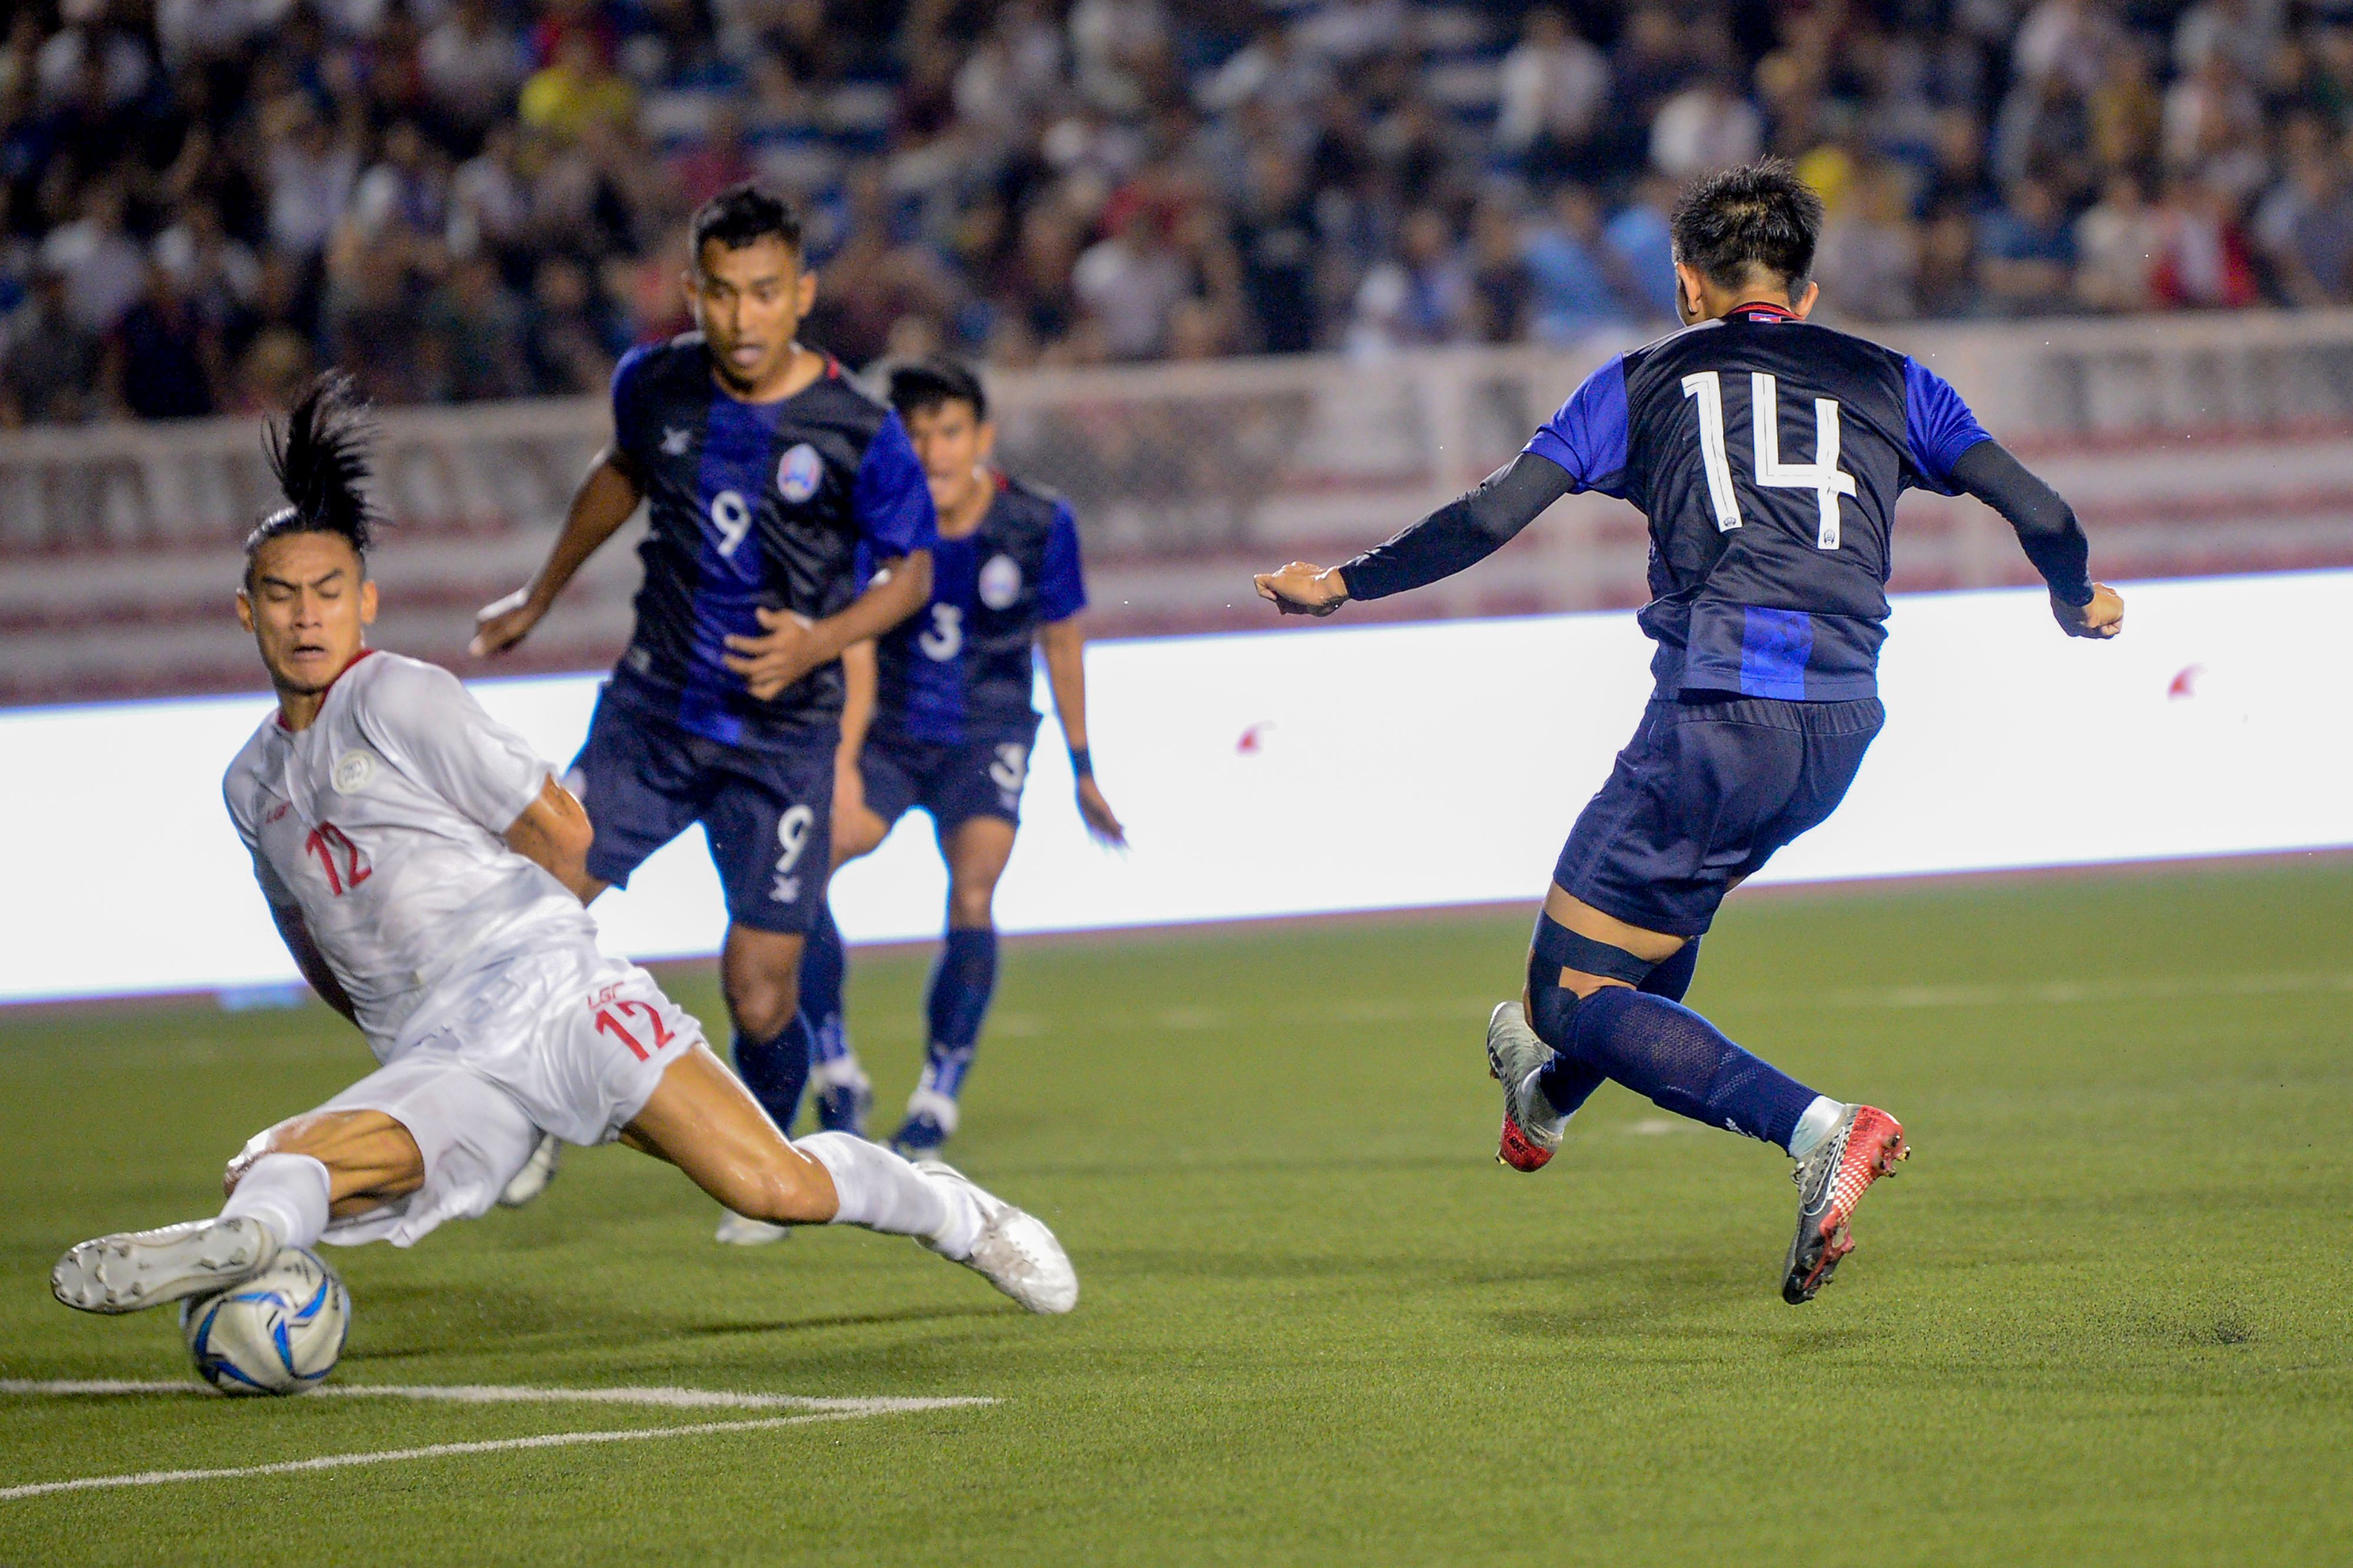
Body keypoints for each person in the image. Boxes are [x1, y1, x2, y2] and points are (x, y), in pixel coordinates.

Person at [1252, 160, 2124, 1305]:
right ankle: (1548, 1097)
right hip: (1840, 721)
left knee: (1566, 993)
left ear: (1683, 284)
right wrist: (2072, 598)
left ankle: (1820, 1129)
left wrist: (1345, 585)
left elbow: (1487, 515)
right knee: (1652, 940)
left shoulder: (1633, 383)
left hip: (1716, 710)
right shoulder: (1897, 380)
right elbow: (2045, 513)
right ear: (1805, 293)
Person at [51, 375, 1075, 1323]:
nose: (306, 613)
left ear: (367, 600)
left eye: (328, 589)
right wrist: (404, 1022)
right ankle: (248, 1242)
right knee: (272, 1162)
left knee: (773, 1185)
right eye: (281, 594)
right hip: (438, 1048)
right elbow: (308, 933)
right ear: (247, 611)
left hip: (547, 993)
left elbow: (565, 831)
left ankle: (953, 1213)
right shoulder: (250, 783)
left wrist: (516, 966)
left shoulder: (401, 696)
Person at [469, 184, 938, 1240]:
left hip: (783, 740)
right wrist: (539, 597)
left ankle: (767, 1153)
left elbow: (909, 576)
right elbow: (621, 474)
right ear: (693, 291)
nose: (740, 316)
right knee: (528, 911)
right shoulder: (656, 384)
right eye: (721, 293)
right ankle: (524, 1113)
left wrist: (819, 639)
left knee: (762, 991)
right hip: (653, 718)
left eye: (764, 293)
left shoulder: (858, 427)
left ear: (801, 294)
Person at [794, 358, 1124, 1170]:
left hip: (989, 732)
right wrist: (842, 761)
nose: (935, 449)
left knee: (974, 884)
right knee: (802, 866)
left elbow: (1062, 638)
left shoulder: (1040, 521)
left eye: (950, 431)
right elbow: (859, 645)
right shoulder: (881, 521)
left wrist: (1082, 765)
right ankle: (836, 1067)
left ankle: (937, 1096)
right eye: (917, 433)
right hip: (893, 734)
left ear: (982, 436)